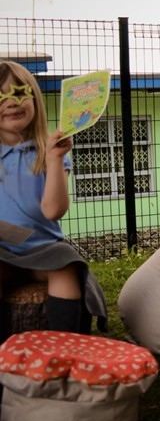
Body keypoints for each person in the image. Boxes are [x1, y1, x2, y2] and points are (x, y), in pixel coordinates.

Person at [0, 60, 107, 333]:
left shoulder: (50, 152)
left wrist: (55, 159)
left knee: (67, 266)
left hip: (44, 250)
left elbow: (53, 211)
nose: (11, 103)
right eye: (1, 96)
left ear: (34, 99)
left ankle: (65, 346)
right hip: (3, 251)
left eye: (19, 93)